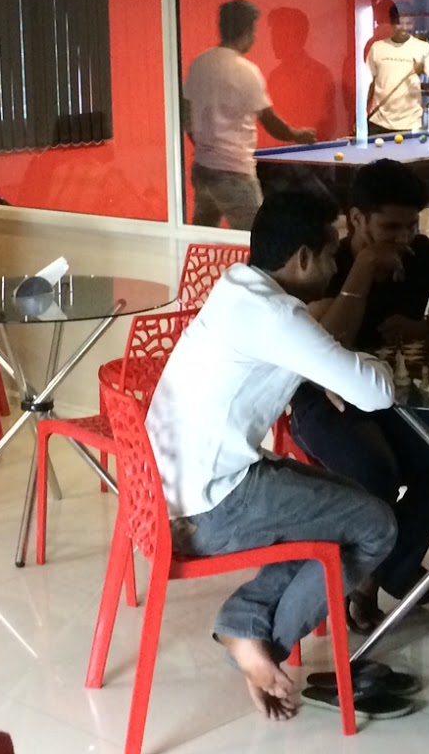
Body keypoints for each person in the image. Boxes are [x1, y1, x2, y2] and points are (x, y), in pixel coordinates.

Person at [145, 190, 403, 721]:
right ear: (304, 258)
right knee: (376, 524)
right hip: (210, 507)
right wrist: (368, 365)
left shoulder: (237, 290)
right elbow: (376, 393)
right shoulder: (275, 315)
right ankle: (260, 642)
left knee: (344, 506)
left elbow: (289, 353)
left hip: (168, 494)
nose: (336, 267)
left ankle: (245, 619)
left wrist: (324, 368)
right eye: (332, 255)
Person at [291, 158, 429, 629]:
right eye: (390, 227)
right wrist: (363, 269)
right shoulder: (331, 260)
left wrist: (427, 327)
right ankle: (375, 581)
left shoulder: (420, 254)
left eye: (411, 226)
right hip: (323, 398)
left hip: (397, 392)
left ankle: (383, 573)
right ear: (357, 219)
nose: (403, 238)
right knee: (376, 474)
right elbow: (325, 348)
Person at [182, 0, 316, 230]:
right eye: (254, 30)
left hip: (202, 169)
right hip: (234, 172)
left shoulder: (199, 64)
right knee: (254, 237)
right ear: (246, 31)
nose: (255, 37)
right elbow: (270, 121)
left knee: (202, 236)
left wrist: (205, 146)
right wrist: (297, 134)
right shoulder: (246, 71)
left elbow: (187, 115)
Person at [366, 3, 429, 134]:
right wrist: (359, 115)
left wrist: (422, 74)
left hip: (410, 123)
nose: (404, 28)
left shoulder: (423, 48)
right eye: (399, 23)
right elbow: (369, 85)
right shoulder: (377, 48)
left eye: (409, 23)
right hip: (378, 121)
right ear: (392, 23)